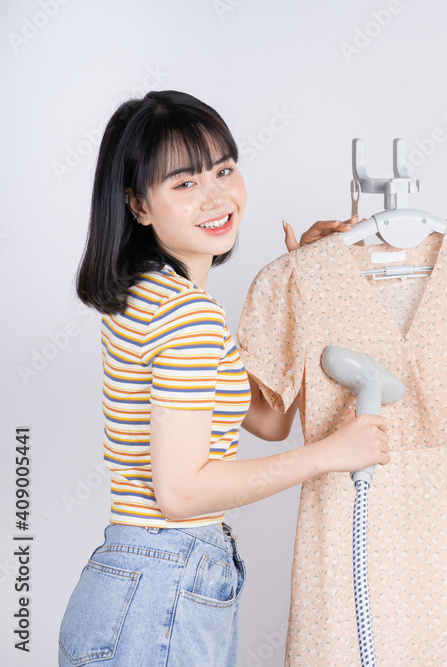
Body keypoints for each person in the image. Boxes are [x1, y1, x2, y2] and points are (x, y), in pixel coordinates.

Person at [58, 89, 390, 666]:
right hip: (160, 586)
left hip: (138, 585)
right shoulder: (186, 315)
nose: (216, 196)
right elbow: (183, 493)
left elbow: (267, 418)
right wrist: (333, 453)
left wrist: (297, 283)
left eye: (224, 169)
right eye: (184, 183)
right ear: (138, 204)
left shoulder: (150, 296)